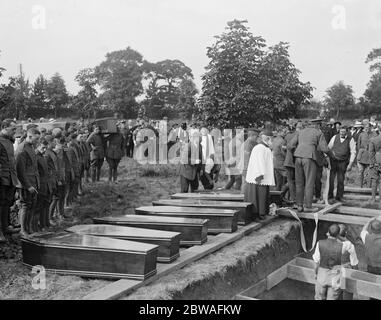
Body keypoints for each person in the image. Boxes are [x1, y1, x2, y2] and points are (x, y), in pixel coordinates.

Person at [288, 119, 329, 213]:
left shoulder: (300, 132)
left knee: (299, 183)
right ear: (318, 125)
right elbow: (324, 149)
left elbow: (290, 145)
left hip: (298, 157)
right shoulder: (318, 132)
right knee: (309, 183)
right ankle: (308, 206)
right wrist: (331, 156)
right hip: (309, 158)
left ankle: (299, 206)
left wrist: (298, 152)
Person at [313, 224, 358, 300]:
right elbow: (354, 260)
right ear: (338, 234)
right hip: (335, 276)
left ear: (328, 233)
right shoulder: (344, 245)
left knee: (318, 297)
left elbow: (316, 261)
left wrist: (315, 273)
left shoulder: (319, 243)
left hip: (322, 275)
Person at [244, 127, 275, 221]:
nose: (272, 141)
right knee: (257, 196)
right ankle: (256, 214)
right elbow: (259, 162)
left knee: (263, 195)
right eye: (271, 139)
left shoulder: (265, 148)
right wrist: (260, 174)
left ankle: (262, 212)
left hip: (263, 175)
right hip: (258, 176)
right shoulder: (260, 148)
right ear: (266, 138)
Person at [16, 127, 40, 235]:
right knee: (25, 206)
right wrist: (28, 185)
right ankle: (23, 230)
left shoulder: (30, 146)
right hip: (25, 185)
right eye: (36, 139)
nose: (37, 141)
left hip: (33, 182)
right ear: (29, 136)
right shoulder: (22, 150)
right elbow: (20, 171)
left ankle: (28, 228)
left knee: (32, 206)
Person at [0, 119, 19, 242]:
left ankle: (6, 227)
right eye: (13, 129)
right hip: (1, 179)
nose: (15, 131)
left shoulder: (9, 141)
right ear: (5, 127)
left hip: (10, 178)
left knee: (7, 204)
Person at [327, 126, 356, 202]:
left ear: (347, 132)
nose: (342, 133)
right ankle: (330, 196)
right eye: (341, 131)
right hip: (333, 161)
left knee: (341, 179)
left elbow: (353, 152)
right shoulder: (334, 137)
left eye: (344, 132)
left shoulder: (350, 139)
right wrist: (328, 158)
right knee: (331, 179)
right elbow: (328, 148)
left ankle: (339, 197)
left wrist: (350, 164)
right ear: (339, 131)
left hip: (343, 162)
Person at [35, 138, 52, 231]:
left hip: (45, 184)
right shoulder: (36, 157)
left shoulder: (42, 156)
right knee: (38, 207)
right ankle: (38, 226)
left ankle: (44, 224)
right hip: (40, 186)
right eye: (43, 147)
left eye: (46, 148)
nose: (45, 150)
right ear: (37, 145)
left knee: (45, 204)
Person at [240, 129, 260, 193]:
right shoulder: (248, 144)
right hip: (247, 167)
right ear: (252, 135)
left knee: (246, 183)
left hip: (246, 167)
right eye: (256, 137)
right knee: (246, 183)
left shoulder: (250, 143)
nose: (257, 138)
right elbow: (247, 158)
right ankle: (243, 198)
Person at [272, 127, 287, 191]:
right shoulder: (282, 141)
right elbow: (283, 152)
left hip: (275, 163)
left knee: (278, 182)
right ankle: (285, 194)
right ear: (280, 132)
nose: (285, 133)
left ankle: (277, 196)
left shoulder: (274, 140)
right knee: (288, 179)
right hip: (281, 163)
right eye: (284, 132)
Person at [368, 131, 381, 203]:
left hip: (376, 160)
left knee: (374, 180)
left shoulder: (373, 140)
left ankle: (373, 198)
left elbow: (371, 152)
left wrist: (373, 163)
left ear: (379, 131)